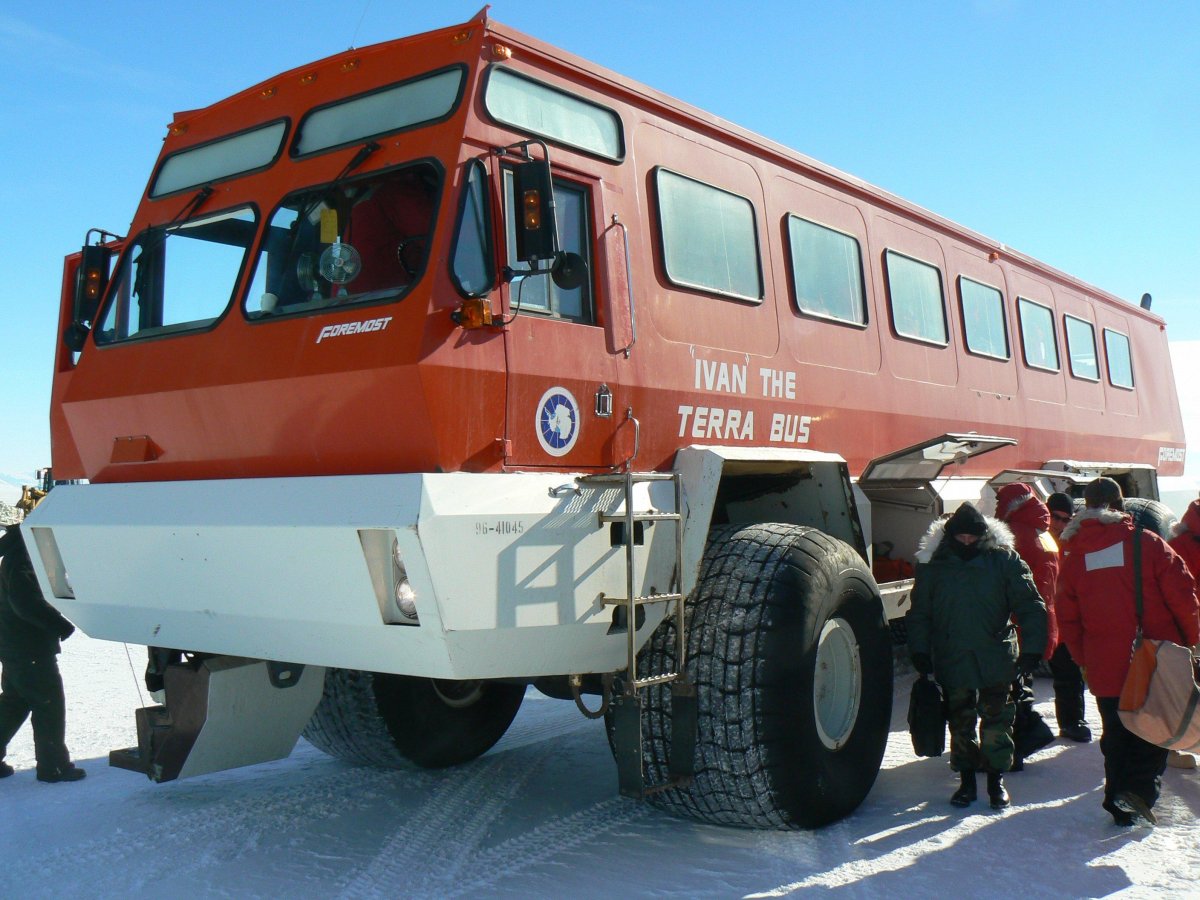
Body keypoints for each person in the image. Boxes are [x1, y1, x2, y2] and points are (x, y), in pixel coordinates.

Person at [1056, 478, 1199, 826]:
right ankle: (1135, 794)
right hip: (1152, 655)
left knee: (1116, 729)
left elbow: (1067, 615)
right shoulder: (1148, 544)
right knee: (1154, 728)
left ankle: (1117, 795)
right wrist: (1193, 640)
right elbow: (1183, 594)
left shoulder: (1074, 555)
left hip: (1103, 660)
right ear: (1121, 506)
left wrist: (1081, 657)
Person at [907, 502, 1048, 810]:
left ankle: (996, 782)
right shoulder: (934, 566)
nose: (967, 542)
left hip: (996, 657)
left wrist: (1033, 648)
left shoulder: (1005, 561)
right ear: (950, 536)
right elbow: (920, 613)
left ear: (983, 535)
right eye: (961, 537)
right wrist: (918, 649)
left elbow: (1030, 605)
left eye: (973, 537)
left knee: (998, 722)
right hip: (952, 655)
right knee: (960, 722)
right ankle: (967, 782)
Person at [0, 522, 85, 783]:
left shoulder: (15, 554)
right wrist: (60, 625)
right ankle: (54, 767)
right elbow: (24, 602)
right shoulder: (24, 556)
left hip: (14, 644)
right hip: (30, 647)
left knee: (16, 702)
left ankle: (52, 764)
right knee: (48, 704)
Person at [994, 483, 1060, 769]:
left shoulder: (1014, 535)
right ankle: (1023, 739)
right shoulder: (1045, 534)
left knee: (1012, 691)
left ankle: (1016, 747)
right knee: (1023, 685)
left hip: (1021, 625)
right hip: (1043, 622)